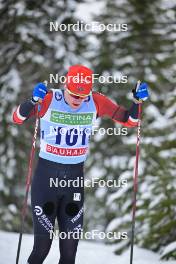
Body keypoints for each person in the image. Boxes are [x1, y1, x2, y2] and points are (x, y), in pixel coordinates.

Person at [13, 65, 149, 264]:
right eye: (74, 95)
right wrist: (33, 101)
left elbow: (129, 121)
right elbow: (17, 118)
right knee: (41, 248)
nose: (78, 100)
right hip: (46, 179)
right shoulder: (50, 98)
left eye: (83, 96)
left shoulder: (96, 101)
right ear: (65, 87)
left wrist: (137, 102)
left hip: (73, 181)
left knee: (70, 251)